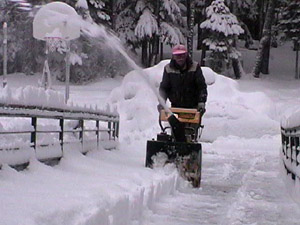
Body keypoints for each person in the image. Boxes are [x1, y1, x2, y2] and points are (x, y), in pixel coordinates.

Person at [158, 44, 207, 113]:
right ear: (173, 56)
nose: (180, 58)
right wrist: (162, 102)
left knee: (192, 123)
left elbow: (201, 86)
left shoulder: (195, 67)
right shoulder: (168, 69)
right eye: (177, 56)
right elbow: (164, 87)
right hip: (175, 107)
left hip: (193, 107)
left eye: (182, 55)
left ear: (186, 55)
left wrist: (201, 102)